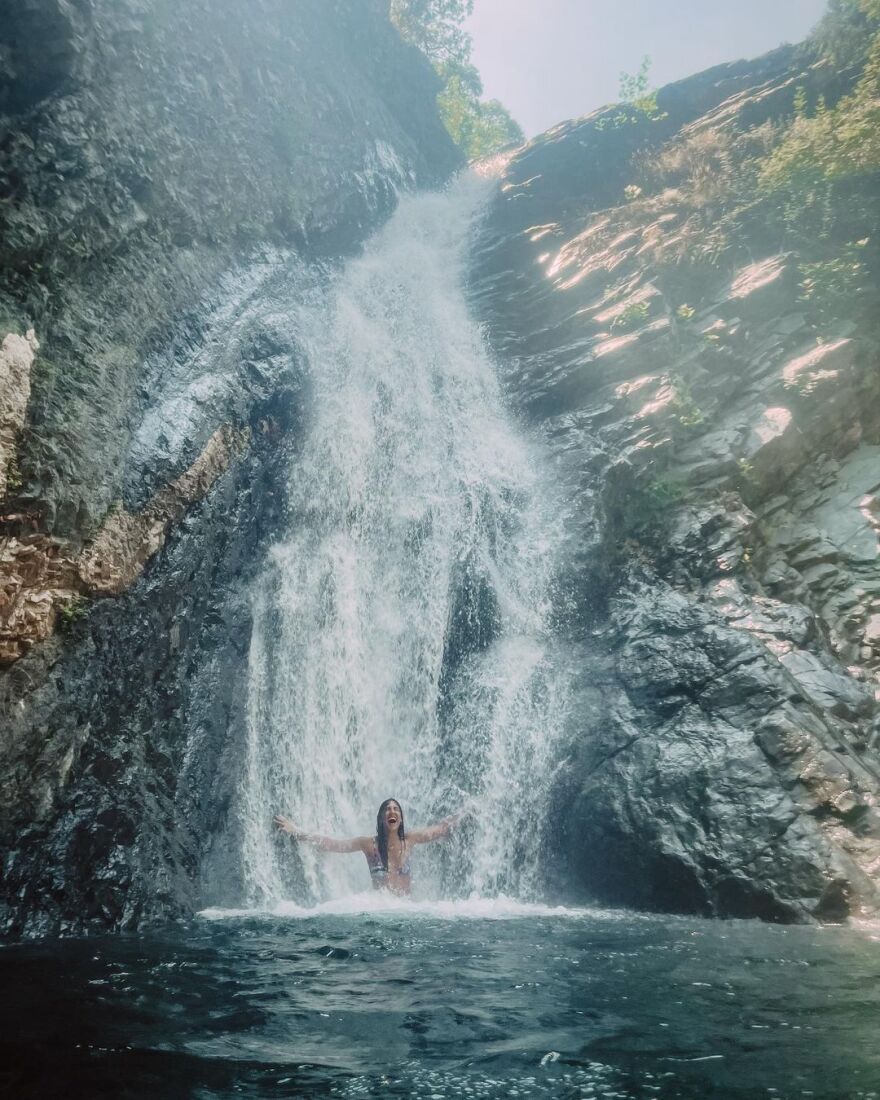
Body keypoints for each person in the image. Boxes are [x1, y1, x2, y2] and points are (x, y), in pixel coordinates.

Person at [274, 798, 463, 896]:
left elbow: (440, 829)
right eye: (387, 809)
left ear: (400, 818)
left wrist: (465, 812)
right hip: (380, 913)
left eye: (396, 809)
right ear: (381, 818)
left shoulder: (410, 840)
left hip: (406, 912)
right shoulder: (369, 844)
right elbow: (335, 844)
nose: (392, 811)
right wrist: (296, 831)